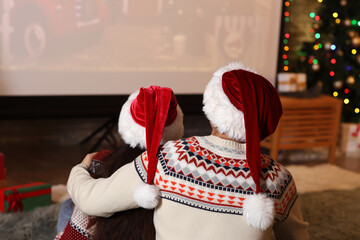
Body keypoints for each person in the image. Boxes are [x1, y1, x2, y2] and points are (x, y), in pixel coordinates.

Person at [67, 62, 309, 240]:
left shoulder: (170, 158)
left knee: (68, 208)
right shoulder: (278, 179)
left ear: (212, 108)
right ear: (266, 124)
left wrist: (81, 168)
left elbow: (90, 200)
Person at [55, 86, 184, 240]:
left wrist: (81, 168)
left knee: (67, 206)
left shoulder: (102, 161)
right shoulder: (182, 167)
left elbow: (84, 205)